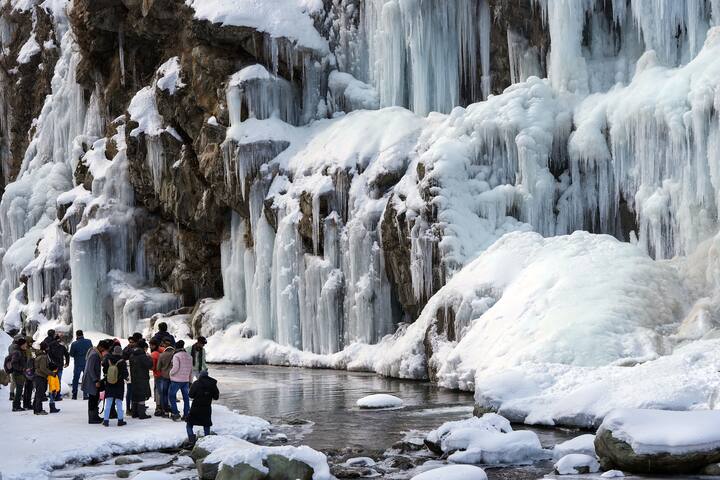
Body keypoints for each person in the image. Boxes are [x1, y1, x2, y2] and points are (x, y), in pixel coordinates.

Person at [186, 371, 219, 445]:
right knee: (206, 424)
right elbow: (216, 397)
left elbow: (191, 395)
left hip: (195, 408)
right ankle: (207, 441)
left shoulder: (196, 383)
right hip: (206, 408)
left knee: (189, 424)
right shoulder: (212, 384)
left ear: (200, 375)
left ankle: (191, 440)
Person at [102, 345, 128, 427]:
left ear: (113, 351)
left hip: (109, 383)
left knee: (108, 402)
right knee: (119, 403)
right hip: (119, 384)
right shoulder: (122, 361)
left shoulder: (108, 359)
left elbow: (104, 369)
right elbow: (125, 374)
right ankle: (120, 420)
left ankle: (106, 420)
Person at [81, 339, 106, 424]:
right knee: (93, 399)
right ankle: (92, 418)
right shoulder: (94, 355)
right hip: (91, 380)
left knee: (94, 398)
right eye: (105, 350)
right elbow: (90, 369)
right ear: (101, 347)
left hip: (91, 379)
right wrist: (96, 380)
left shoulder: (93, 351)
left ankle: (95, 416)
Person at [168, 340, 192, 421]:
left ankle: (176, 414)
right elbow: (191, 370)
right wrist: (190, 380)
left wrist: (170, 373)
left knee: (172, 396)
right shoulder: (189, 356)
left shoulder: (176, 356)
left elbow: (175, 368)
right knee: (186, 398)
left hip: (176, 380)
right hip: (185, 380)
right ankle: (186, 415)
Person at [33, 342, 60, 415]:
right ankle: (39, 410)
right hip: (41, 376)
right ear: (45, 348)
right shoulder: (43, 356)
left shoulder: (40, 355)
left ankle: (36, 408)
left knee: (38, 393)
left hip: (38, 376)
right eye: (47, 347)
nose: (48, 349)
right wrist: (52, 373)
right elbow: (43, 368)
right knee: (40, 393)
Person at [129, 340, 153, 419]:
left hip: (134, 378)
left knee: (135, 395)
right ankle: (142, 414)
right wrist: (149, 358)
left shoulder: (132, 355)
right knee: (142, 395)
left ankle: (134, 413)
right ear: (144, 348)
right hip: (142, 378)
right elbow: (149, 365)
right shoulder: (143, 356)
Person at [45, 331, 69, 401]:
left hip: (51, 367)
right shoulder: (61, 347)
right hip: (59, 366)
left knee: (51, 381)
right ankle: (57, 395)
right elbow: (67, 355)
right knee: (58, 381)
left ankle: (52, 395)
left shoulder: (49, 346)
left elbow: (47, 356)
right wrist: (67, 362)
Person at [69, 330, 93, 400]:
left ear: (76, 335)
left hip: (78, 363)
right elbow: (91, 351)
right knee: (86, 378)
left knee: (75, 379)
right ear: (82, 334)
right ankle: (85, 394)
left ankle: (74, 394)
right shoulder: (88, 341)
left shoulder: (74, 344)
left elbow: (71, 354)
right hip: (87, 363)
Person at [156, 341, 175, 417]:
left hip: (164, 377)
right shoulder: (175, 354)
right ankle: (173, 410)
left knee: (164, 394)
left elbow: (158, 367)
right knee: (172, 394)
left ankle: (166, 411)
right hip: (173, 377)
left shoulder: (162, 355)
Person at [9, 338, 28, 411]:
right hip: (17, 374)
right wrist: (21, 368)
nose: (26, 345)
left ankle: (17, 405)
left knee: (19, 390)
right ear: (21, 345)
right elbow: (14, 363)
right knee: (19, 391)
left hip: (20, 373)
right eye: (25, 344)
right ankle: (15, 406)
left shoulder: (21, 351)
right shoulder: (17, 352)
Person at [149, 339, 165, 416]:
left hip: (158, 374)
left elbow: (152, 367)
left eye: (151, 345)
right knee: (164, 391)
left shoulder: (154, 354)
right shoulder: (163, 350)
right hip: (165, 374)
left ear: (154, 345)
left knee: (159, 391)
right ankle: (164, 406)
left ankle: (159, 407)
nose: (150, 347)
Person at [22, 336, 36, 410]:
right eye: (31, 342)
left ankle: (26, 404)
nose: (32, 343)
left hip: (28, 370)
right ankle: (27, 404)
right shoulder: (27, 350)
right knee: (28, 388)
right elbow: (28, 361)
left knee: (28, 388)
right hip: (28, 371)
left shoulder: (28, 349)